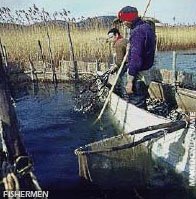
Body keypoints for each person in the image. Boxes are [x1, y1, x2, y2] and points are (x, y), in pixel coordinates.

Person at [117, 6, 156, 109]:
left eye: (123, 21)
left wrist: (130, 81)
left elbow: (136, 59)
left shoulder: (137, 32)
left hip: (139, 74)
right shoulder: (147, 27)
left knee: (136, 103)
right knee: (141, 100)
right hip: (147, 71)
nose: (123, 24)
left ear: (128, 20)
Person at [107, 28, 128, 98]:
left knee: (123, 85)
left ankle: (125, 99)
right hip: (131, 66)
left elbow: (119, 61)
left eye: (111, 37)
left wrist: (114, 67)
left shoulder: (118, 43)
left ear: (116, 35)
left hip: (127, 67)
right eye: (109, 38)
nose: (110, 39)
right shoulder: (124, 40)